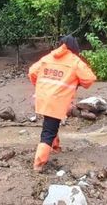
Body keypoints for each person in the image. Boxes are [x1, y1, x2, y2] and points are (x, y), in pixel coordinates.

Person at [28, 35, 96, 172]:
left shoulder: (47, 58)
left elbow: (32, 72)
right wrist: (77, 82)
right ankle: (38, 164)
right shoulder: (75, 61)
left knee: (51, 123)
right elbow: (89, 79)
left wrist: (41, 86)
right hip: (57, 100)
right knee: (48, 131)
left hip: (43, 97)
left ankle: (55, 147)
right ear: (75, 47)